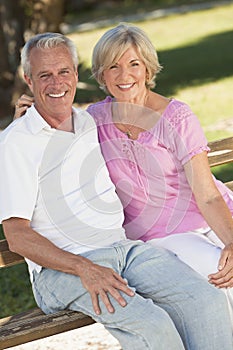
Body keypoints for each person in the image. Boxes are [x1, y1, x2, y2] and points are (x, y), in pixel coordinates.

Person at [2, 32, 233, 350]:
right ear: (29, 79)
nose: (56, 84)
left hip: (124, 252)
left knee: (206, 300)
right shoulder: (17, 142)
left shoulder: (87, 121)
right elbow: (17, 236)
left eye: (63, 72)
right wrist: (85, 268)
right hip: (64, 269)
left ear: (76, 73)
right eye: (45, 75)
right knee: (153, 328)